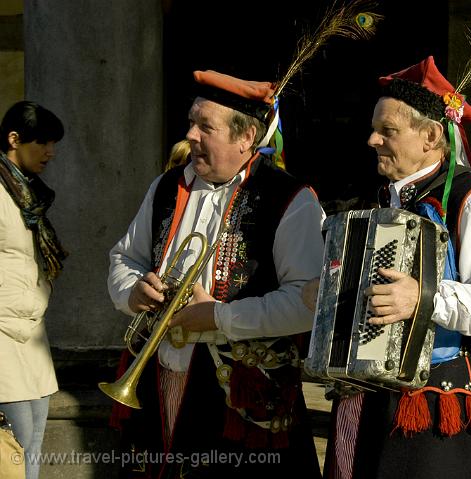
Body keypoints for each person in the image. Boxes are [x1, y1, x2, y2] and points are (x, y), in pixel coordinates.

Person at [106, 70, 325, 478]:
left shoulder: (291, 200)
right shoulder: (165, 186)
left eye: (205, 126)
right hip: (158, 374)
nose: (190, 134)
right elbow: (124, 257)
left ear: (245, 139)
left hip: (241, 392)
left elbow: (306, 301)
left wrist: (221, 317)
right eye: (192, 122)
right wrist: (132, 291)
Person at [316, 55, 471, 478]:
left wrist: (424, 297)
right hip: (366, 401)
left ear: (431, 136)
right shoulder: (376, 199)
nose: (372, 140)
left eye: (387, 131)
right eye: (375, 129)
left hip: (436, 406)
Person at [0, 100, 67, 479]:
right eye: (42, 142)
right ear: (14, 139)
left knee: (34, 439)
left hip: (31, 329)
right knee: (15, 443)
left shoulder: (27, 193)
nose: (50, 152)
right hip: (4, 332)